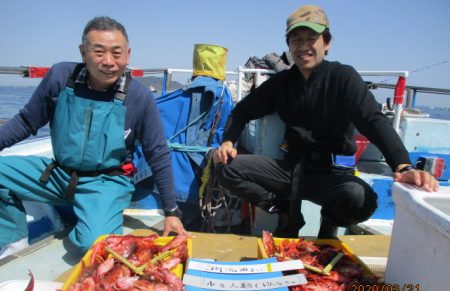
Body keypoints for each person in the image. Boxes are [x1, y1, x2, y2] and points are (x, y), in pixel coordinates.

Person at [214, 5, 439, 239]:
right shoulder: (282, 83)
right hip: (291, 170)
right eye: (296, 40)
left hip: (333, 174)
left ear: (327, 42)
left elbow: (373, 120)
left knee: (361, 199)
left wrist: (402, 166)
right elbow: (241, 111)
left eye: (311, 38)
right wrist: (228, 141)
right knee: (226, 168)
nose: (303, 46)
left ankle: (329, 224)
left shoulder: (343, 78)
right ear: (289, 46)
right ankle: (284, 210)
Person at [0, 16, 189, 254]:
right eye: (98, 52)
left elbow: (157, 152)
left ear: (128, 55)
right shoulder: (60, 77)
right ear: (83, 52)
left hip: (105, 182)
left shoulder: (139, 97)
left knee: (95, 246)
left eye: (116, 53)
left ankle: (90, 219)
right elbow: (26, 121)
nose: (108, 61)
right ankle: (13, 239)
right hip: (58, 174)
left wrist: (171, 211)